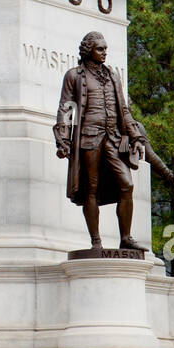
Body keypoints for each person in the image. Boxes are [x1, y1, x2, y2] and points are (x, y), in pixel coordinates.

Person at [53, 31, 144, 251]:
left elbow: (124, 109)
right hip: (88, 139)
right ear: (88, 50)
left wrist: (136, 136)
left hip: (112, 137)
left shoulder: (113, 75)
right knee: (90, 189)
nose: (104, 53)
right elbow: (66, 108)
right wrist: (62, 140)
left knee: (127, 184)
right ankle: (96, 241)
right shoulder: (74, 75)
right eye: (100, 49)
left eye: (105, 49)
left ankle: (126, 237)